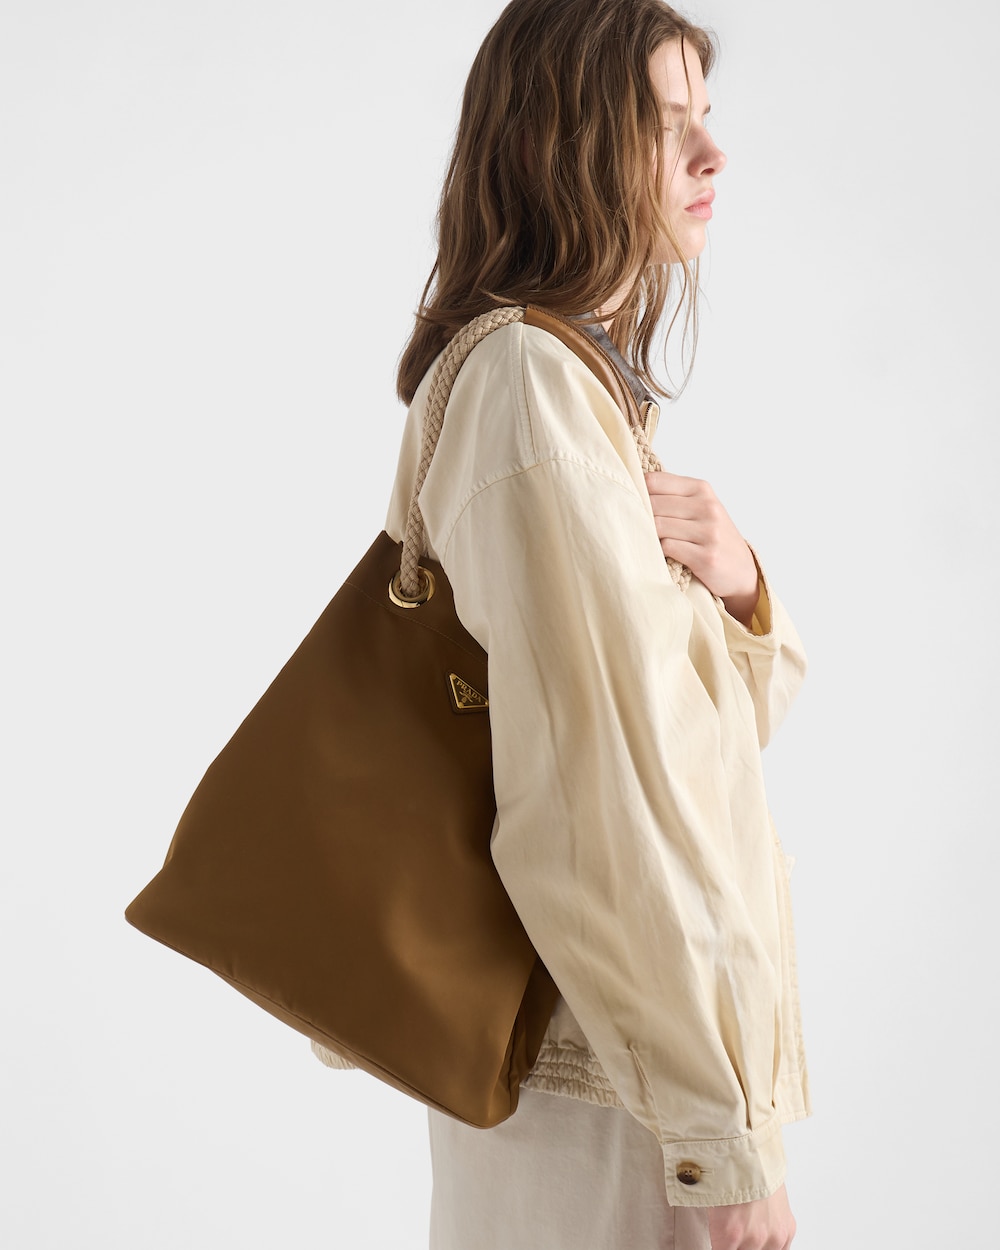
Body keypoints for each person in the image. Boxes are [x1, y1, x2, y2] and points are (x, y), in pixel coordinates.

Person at [317, 1, 810, 1246]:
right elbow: (606, 793)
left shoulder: (575, 388)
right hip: (609, 1089)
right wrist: (718, 1132)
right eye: (665, 123)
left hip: (622, 1063)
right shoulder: (531, 388)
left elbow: (697, 742)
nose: (712, 153)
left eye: (707, 119)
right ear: (561, 141)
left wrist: (742, 590)